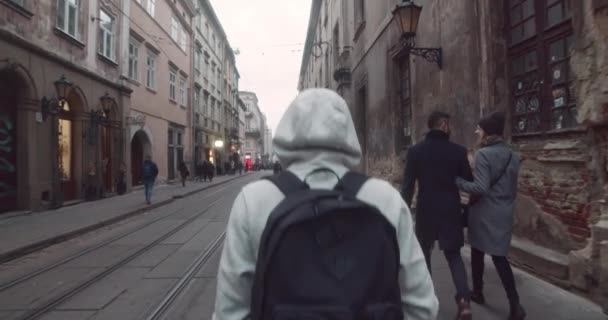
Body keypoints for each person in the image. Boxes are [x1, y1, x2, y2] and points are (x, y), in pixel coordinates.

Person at [212, 88, 438, 320]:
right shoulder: (385, 198)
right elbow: (422, 306)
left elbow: (229, 312)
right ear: (348, 134)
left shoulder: (253, 200)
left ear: (287, 133)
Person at [401, 111, 473, 319]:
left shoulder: (415, 152)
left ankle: (427, 299)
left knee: (424, 256)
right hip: (450, 210)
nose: (450, 128)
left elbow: (407, 187)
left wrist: (403, 213)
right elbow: (468, 180)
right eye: (448, 124)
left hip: (426, 211)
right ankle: (464, 301)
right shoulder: (458, 151)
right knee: (454, 256)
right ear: (442, 125)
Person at [455, 111, 526, 320]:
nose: (476, 131)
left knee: (479, 250)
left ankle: (479, 292)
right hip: (504, 210)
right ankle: (514, 305)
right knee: (498, 256)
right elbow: (513, 187)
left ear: (487, 132)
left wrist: (456, 181)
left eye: (479, 128)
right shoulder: (513, 153)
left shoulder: (484, 154)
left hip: (484, 211)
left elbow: (480, 187)